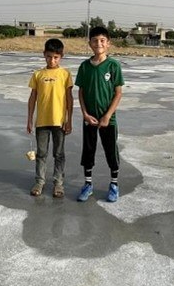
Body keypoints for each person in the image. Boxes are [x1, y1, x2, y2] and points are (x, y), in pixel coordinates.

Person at [75, 26, 124, 202]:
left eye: (102, 40)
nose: (99, 44)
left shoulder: (113, 65)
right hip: (90, 118)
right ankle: (88, 184)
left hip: (108, 119)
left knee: (111, 150)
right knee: (88, 150)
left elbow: (118, 93)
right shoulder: (84, 66)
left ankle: (114, 185)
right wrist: (85, 114)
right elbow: (81, 92)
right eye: (95, 40)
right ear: (90, 43)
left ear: (108, 43)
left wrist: (107, 115)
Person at [27, 38, 74, 198]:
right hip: (42, 121)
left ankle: (58, 183)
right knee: (41, 154)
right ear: (44, 55)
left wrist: (69, 120)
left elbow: (69, 99)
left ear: (61, 56)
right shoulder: (38, 74)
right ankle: (39, 182)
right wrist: (29, 119)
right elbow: (32, 98)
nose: (52, 60)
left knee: (59, 154)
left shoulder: (65, 74)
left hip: (59, 122)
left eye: (55, 57)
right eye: (49, 56)